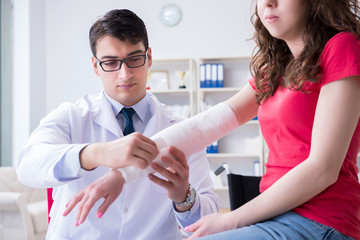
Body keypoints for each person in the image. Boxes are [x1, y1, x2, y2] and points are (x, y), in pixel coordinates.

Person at [64, 0, 360, 239]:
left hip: (322, 219)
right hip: (276, 215)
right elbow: (204, 127)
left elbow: (323, 169)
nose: (268, 3)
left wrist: (230, 220)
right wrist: (121, 175)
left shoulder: (341, 47)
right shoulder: (274, 68)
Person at [16, 9, 218, 240]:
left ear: (149, 57)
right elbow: (27, 166)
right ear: (95, 66)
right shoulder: (72, 117)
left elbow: (208, 220)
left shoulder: (182, 128)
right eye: (111, 62)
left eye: (134, 59)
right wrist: (95, 153)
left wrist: (184, 198)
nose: (125, 74)